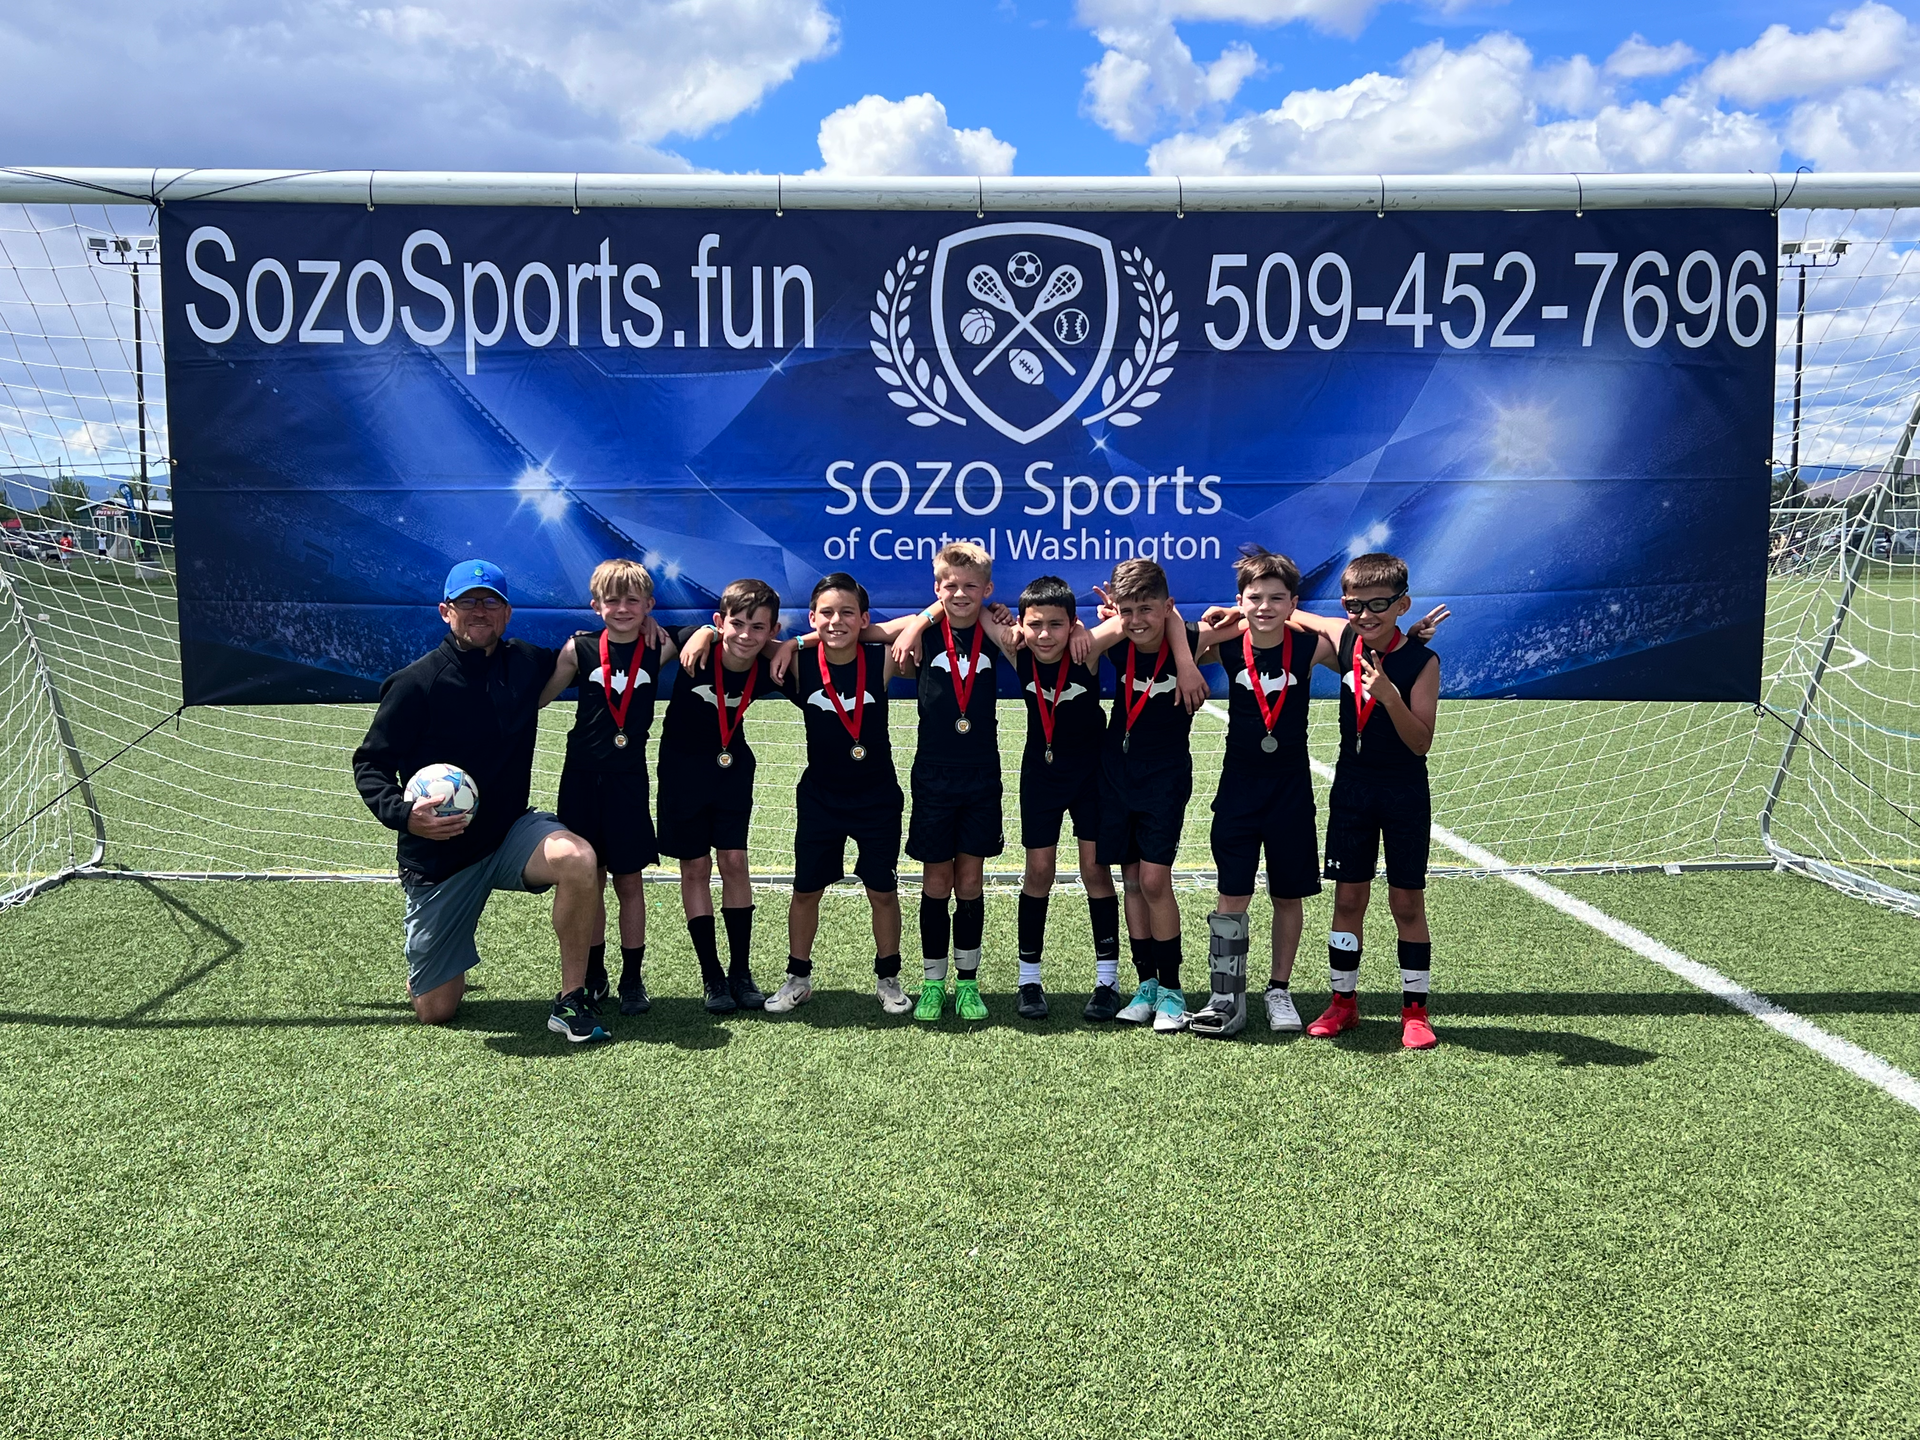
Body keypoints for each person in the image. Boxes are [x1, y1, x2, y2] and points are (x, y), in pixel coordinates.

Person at [352, 559, 606, 1043]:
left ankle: (573, 999)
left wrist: (689, 633)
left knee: (579, 858)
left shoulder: (527, 662)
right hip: (441, 856)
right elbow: (370, 765)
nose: (480, 611)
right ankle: (433, 967)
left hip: (510, 833)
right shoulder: (415, 683)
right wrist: (406, 816)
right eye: (469, 602)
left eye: (491, 602)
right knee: (436, 1010)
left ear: (507, 614)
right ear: (446, 611)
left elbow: (599, 649)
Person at [1187, 548, 1335, 1038]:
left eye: (1277, 598)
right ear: (1240, 599)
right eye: (1254, 598)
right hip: (1239, 789)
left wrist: (1301, 614)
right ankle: (1224, 994)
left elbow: (1349, 639)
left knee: (1288, 895)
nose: (1265, 606)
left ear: (1293, 601)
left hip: (1291, 790)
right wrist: (1218, 626)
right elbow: (1176, 647)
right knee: (1233, 893)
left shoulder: (1309, 646)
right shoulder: (1227, 647)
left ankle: (1278, 989)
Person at [1309, 552, 1443, 1051]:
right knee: (1347, 899)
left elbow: (1420, 742)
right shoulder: (1347, 640)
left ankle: (1415, 1012)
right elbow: (1300, 616)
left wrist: (1389, 696)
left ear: (1403, 603)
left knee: (1406, 902)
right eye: (1353, 605)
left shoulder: (1423, 661)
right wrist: (1242, 611)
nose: (1364, 615)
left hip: (1404, 791)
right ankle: (1343, 1004)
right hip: (1352, 789)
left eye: (1378, 605)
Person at [762, 574, 912, 1016]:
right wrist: (793, 645)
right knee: (806, 889)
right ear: (811, 617)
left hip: (878, 797)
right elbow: (742, 639)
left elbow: (910, 624)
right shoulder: (798, 665)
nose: (836, 621)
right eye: (825, 613)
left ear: (865, 620)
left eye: (848, 613)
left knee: (882, 890)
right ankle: (798, 977)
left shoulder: (881, 656)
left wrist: (802, 639)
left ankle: (887, 978)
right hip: (820, 799)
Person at [539, 559, 674, 1017]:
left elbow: (708, 630)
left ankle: (632, 979)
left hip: (628, 780)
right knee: (589, 880)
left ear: (648, 605)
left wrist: (660, 626)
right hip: (580, 778)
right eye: (611, 600)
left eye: (632, 600)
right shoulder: (578, 649)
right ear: (595, 605)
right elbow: (540, 696)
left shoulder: (660, 646)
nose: (622, 608)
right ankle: (593, 974)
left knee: (629, 881)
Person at [653, 578, 787, 1015]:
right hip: (681, 772)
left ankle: (741, 974)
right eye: (737, 624)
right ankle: (711, 976)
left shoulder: (767, 665)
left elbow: (814, 650)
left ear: (771, 631)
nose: (746, 635)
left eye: (759, 628)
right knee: (694, 867)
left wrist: (787, 646)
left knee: (734, 862)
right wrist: (703, 634)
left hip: (732, 771)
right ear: (719, 621)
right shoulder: (694, 646)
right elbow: (656, 636)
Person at [1091, 559, 1209, 1033]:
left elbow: (1246, 624)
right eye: (1128, 610)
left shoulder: (1195, 639)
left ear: (1168, 606)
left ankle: (1174, 989)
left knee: (1156, 881)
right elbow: (1082, 642)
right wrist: (1111, 623)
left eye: (1148, 609)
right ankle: (1147, 986)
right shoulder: (1119, 639)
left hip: (1165, 778)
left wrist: (1185, 659)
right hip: (1116, 775)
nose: (1138, 620)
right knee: (1133, 882)